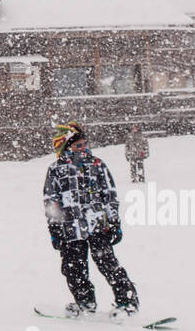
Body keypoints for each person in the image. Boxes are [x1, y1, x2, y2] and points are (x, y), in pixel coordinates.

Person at [43, 120, 139, 317]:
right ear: (67, 147)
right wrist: (55, 228)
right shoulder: (56, 169)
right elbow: (51, 200)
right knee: (74, 269)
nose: (84, 148)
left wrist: (113, 221)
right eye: (79, 145)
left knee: (108, 264)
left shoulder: (97, 165)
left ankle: (127, 302)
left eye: (86, 144)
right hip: (70, 229)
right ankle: (85, 302)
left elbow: (109, 195)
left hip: (97, 226)